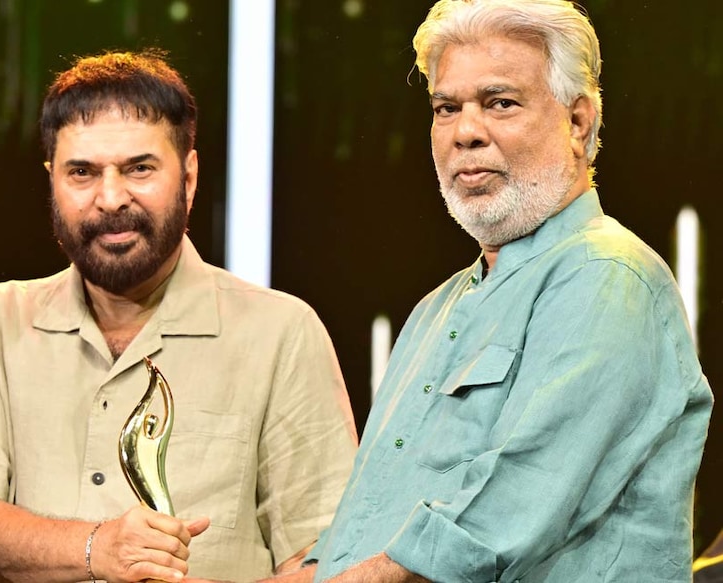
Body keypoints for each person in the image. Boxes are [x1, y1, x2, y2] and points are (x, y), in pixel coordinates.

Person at [217, 1, 714, 582]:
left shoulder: (609, 276)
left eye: (500, 103)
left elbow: (497, 521)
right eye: (446, 108)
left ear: (578, 122)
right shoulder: (435, 310)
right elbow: (362, 536)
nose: (466, 133)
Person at [0, 50, 358, 583]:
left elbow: (324, 556)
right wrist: (96, 548)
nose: (111, 198)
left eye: (139, 168)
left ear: (189, 175)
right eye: (82, 173)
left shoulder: (281, 333)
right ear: (52, 182)